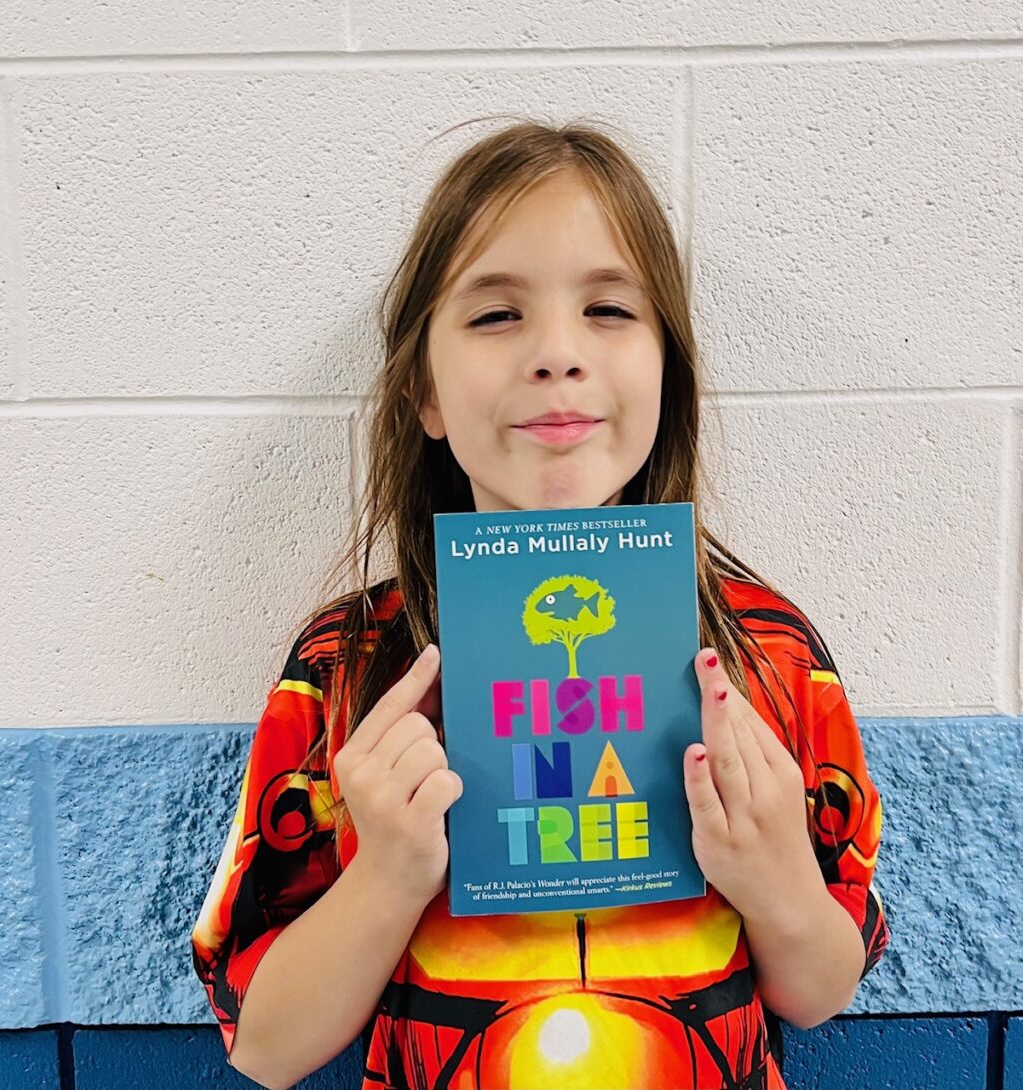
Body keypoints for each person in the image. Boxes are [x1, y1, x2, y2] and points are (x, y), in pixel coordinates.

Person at [191, 117, 890, 1090]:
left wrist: (774, 882)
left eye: (608, 309)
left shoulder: (763, 656)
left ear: (666, 373)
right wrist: (388, 871)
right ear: (423, 396)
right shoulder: (347, 674)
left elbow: (819, 990)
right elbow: (265, 1048)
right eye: (493, 316)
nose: (557, 353)